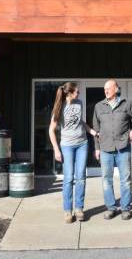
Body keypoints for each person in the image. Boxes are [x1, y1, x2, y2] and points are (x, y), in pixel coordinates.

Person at [92, 79, 132, 220]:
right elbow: (96, 129)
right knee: (106, 180)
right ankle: (111, 208)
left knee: (125, 179)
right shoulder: (98, 106)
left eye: (108, 88)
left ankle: (126, 208)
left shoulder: (127, 104)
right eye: (104, 89)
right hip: (105, 148)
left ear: (116, 89)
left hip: (123, 147)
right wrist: (96, 148)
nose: (106, 91)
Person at [49, 82, 98, 223]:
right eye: (77, 92)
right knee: (69, 178)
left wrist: (92, 131)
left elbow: (80, 122)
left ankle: (79, 208)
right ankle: (67, 211)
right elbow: (51, 130)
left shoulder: (79, 104)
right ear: (69, 93)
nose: (79, 94)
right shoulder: (59, 108)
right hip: (67, 146)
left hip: (82, 144)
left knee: (81, 177)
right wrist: (56, 149)